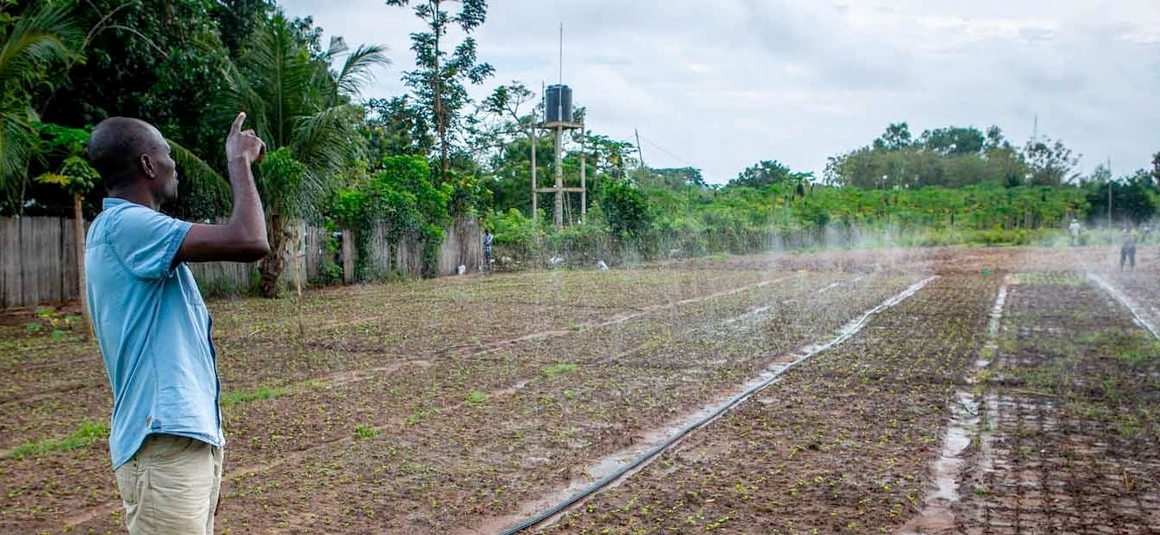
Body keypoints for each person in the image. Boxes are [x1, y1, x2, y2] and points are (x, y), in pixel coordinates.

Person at [85, 113, 268, 534]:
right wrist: (238, 161)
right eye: (167, 154)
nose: (175, 164)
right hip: (161, 442)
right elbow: (249, 239)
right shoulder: (127, 225)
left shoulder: (129, 231)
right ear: (148, 166)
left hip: (179, 438)